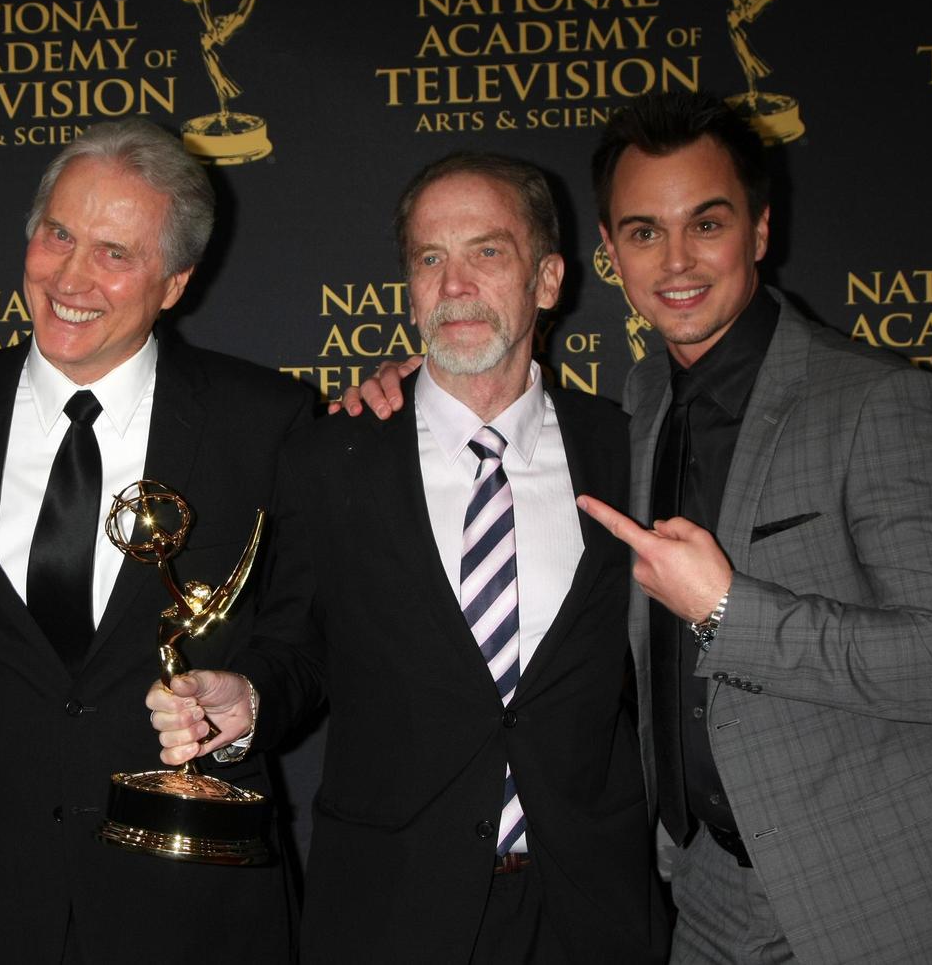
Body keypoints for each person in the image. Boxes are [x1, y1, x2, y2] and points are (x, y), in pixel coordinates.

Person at [343, 91, 932, 963]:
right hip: (699, 898)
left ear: (760, 232)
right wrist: (412, 385)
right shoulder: (635, 410)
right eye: (645, 232)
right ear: (609, 253)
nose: (678, 260)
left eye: (708, 223)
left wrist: (732, 610)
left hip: (873, 893)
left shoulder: (885, 402)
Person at [148, 153, 669, 963]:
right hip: (388, 912)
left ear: (548, 278)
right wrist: (247, 696)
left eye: (487, 252)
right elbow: (299, 651)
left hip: (588, 914)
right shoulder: (332, 455)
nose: (454, 284)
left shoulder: (626, 449)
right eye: (430, 258)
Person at [0, 119, 311, 963]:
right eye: (59, 235)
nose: (72, 277)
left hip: (192, 904)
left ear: (175, 282)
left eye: (117, 253)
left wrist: (250, 699)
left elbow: (312, 637)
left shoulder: (265, 423)